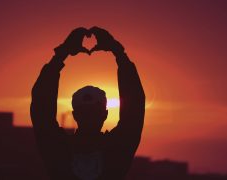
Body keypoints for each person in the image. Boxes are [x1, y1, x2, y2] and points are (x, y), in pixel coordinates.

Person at [30, 27, 145, 180]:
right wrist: (118, 53)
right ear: (105, 114)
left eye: (92, 113)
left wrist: (61, 54)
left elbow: (41, 107)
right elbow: (134, 108)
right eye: (86, 113)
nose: (89, 118)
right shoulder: (118, 148)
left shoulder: (57, 148)